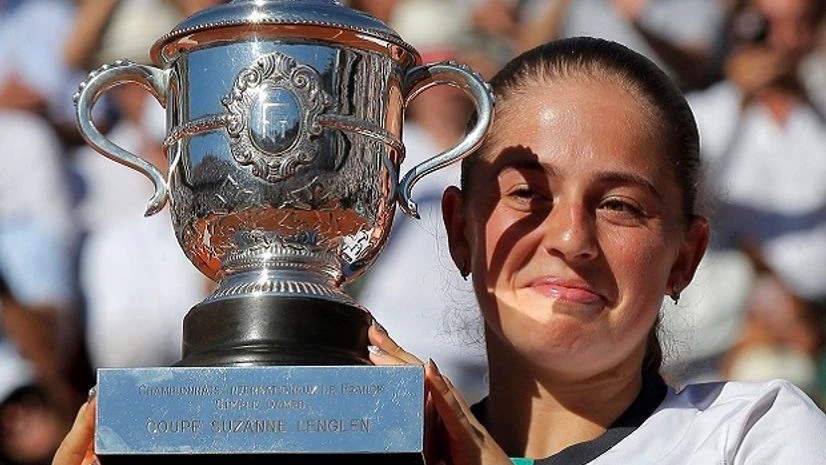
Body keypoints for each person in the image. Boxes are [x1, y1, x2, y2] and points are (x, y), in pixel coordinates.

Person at [53, 37, 826, 465]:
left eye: (621, 206)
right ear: (459, 230)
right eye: (527, 193)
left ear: (686, 257)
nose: (569, 238)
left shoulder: (753, 431)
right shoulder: (378, 449)